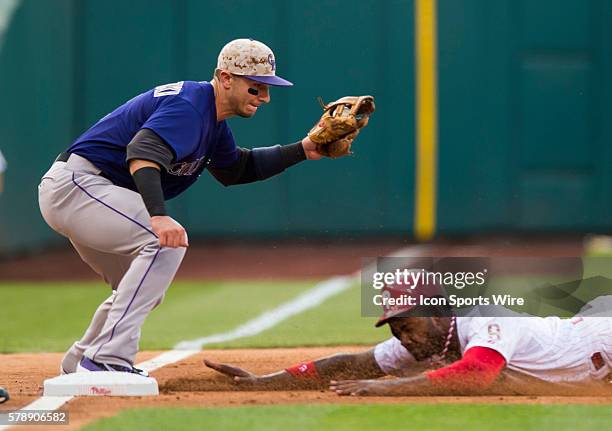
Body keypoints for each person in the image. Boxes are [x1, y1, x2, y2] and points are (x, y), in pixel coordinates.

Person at [38, 38, 335, 376]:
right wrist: (158, 216)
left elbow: (237, 169)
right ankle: (107, 358)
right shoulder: (190, 106)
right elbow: (143, 152)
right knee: (164, 244)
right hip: (80, 185)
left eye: (267, 88)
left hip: (92, 192)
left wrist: (305, 149)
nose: (264, 97)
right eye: (256, 88)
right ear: (225, 78)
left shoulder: (212, 119)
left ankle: (81, 358)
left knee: (141, 286)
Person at [206, 280, 612, 395]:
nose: (403, 337)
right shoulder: (424, 343)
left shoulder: (485, 318)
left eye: (407, 324)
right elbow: (351, 364)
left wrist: (388, 389)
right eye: (396, 328)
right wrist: (266, 381)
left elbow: (477, 373)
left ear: (436, 314)